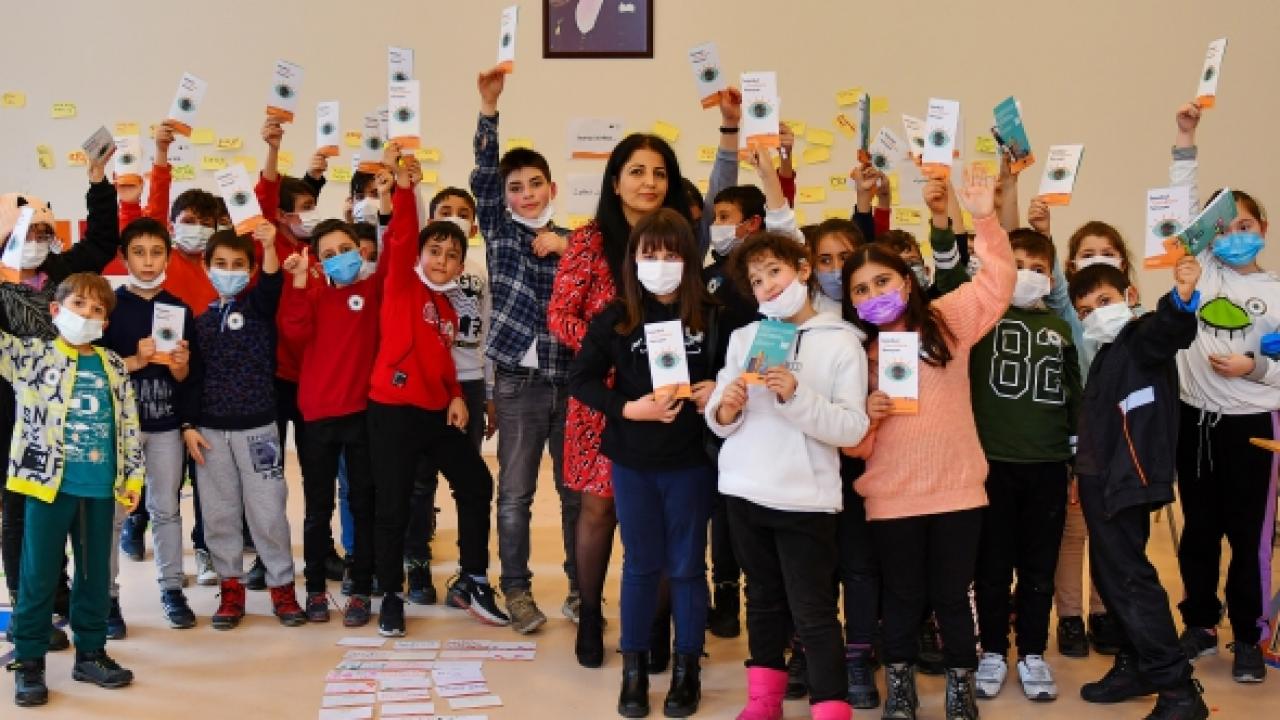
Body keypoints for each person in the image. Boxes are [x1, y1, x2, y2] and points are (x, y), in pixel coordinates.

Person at [550, 114, 731, 668]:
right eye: (636, 171)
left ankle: (655, 626)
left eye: (659, 172)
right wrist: (618, 356)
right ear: (615, 181)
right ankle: (589, 615)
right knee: (598, 509)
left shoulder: (679, 239)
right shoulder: (588, 239)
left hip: (673, 407)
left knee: (663, 525)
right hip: (606, 399)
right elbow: (561, 314)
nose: (648, 182)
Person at [844, 165, 1015, 720]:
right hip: (892, 497)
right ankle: (900, 689)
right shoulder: (855, 354)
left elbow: (996, 285)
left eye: (883, 282)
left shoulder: (944, 321)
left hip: (956, 492)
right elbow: (852, 447)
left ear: (908, 280)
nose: (874, 294)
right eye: (861, 290)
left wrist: (985, 218)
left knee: (951, 597)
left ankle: (961, 689)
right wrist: (868, 419)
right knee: (901, 598)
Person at [705, 228, 870, 720]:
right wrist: (727, 408)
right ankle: (763, 701)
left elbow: (851, 427)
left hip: (806, 500)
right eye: (757, 281)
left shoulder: (842, 342)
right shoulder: (745, 338)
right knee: (761, 600)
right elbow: (719, 417)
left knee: (813, 610)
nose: (768, 286)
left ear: (802, 270)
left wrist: (796, 396)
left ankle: (830, 707)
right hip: (745, 491)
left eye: (774, 271)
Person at [569, 208, 719, 718]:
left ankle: (686, 669)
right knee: (640, 564)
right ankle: (632, 670)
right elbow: (581, 379)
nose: (660, 264)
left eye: (671, 254)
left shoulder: (711, 314)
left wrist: (718, 387)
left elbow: (738, 370)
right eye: (649, 254)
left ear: (689, 258)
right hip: (633, 461)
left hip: (691, 463)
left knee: (687, 566)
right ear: (633, 259)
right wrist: (628, 408)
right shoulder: (617, 316)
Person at [368, 150, 506, 637]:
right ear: (420, 254)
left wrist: (455, 395)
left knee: (476, 483)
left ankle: (472, 579)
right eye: (435, 251)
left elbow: (443, 359)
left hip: (435, 413)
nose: (442, 261)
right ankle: (391, 593)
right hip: (392, 412)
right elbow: (403, 233)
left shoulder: (447, 310)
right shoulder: (401, 285)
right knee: (394, 504)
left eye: (452, 255)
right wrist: (405, 187)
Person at [1069, 260, 1210, 719]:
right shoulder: (1107, 354)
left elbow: (1167, 330)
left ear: (1129, 296)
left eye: (1104, 301)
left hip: (1126, 478)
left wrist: (1182, 298)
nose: (1096, 314)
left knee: (1129, 579)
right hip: (1101, 479)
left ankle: (1177, 689)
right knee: (1111, 575)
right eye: (1085, 310)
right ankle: (1137, 665)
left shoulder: (1138, 337)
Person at [1168, 100, 1278, 684]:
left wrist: (1253, 368)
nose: (1235, 235)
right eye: (1226, 227)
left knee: (1248, 537)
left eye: (1246, 226)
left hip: (1254, 427)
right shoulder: (1201, 271)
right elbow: (1183, 206)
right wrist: (1186, 139)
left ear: (1264, 230)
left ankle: (1248, 637)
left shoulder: (1277, 291)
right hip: (1196, 422)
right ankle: (1201, 624)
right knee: (1199, 532)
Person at [0, 146, 127, 651]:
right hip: (12, 415)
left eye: (41, 231)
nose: (35, 241)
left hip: (72, 413)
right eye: (24, 232)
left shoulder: (62, 271)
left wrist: (98, 180)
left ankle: (62, 596)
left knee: (67, 506)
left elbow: (103, 239)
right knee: (21, 511)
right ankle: (29, 607)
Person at [470, 66, 578, 633]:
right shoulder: (499, 230)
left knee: (574, 492)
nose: (526, 194)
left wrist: (566, 248)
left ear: (552, 189)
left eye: (535, 184)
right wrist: (489, 109)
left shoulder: (579, 242)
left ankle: (581, 589)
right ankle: (516, 590)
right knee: (514, 495)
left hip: (570, 380)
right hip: (517, 383)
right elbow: (483, 178)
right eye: (516, 187)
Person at [3, 272, 145, 707]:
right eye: (78, 304)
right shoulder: (31, 356)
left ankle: (90, 653)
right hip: (47, 487)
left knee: (94, 576)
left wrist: (133, 477)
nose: (87, 314)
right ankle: (29, 661)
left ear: (105, 323)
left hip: (100, 490)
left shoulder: (113, 365)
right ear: (55, 310)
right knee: (38, 575)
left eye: (97, 309)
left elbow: (128, 423)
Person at [970, 229, 1080, 702]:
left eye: (1038, 268)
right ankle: (993, 650)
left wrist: (1076, 463)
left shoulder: (1060, 328)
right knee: (992, 567)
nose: (1028, 275)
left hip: (1048, 465)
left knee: (1039, 567)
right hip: (992, 463)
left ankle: (1033, 651)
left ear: (1051, 277)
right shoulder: (981, 319)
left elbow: (1074, 396)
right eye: (1018, 265)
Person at [181, 223, 305, 629]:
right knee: (219, 515)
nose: (229, 271)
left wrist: (268, 245)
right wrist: (188, 425)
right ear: (206, 267)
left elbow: (271, 284)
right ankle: (231, 588)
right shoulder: (198, 323)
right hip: (210, 433)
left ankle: (282, 587)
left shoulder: (258, 308)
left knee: (268, 512)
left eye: (238, 264)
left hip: (259, 431)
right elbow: (192, 380)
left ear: (250, 269)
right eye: (220, 263)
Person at [279, 217, 385, 626]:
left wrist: (395, 200)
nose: (339, 258)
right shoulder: (313, 294)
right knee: (317, 507)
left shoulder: (373, 291)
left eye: (345, 250)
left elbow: (398, 251)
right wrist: (298, 282)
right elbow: (293, 332)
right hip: (318, 416)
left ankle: (360, 589)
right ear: (318, 262)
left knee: (362, 503)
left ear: (360, 250)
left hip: (361, 414)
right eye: (328, 255)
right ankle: (315, 589)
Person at [99, 218, 197, 630]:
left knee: (166, 509)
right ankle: (106, 598)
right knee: (114, 515)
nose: (148, 261)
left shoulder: (179, 309)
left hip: (165, 427)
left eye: (157, 253)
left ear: (168, 258)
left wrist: (180, 366)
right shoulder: (110, 307)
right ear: (123, 258)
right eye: (138, 253)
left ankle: (172, 589)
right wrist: (135, 361)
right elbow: (98, 370)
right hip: (121, 431)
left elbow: (186, 378)